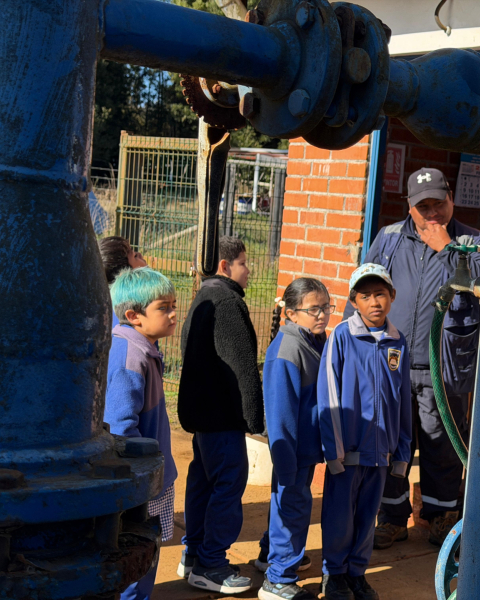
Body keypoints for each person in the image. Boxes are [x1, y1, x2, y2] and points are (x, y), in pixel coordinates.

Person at [344, 167, 480, 549]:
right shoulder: (390, 238)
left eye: (438, 203)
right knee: (389, 444)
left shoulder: (472, 241)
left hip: (445, 366)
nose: (432, 213)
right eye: (423, 207)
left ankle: (442, 519)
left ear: (451, 199)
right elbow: (362, 288)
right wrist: (351, 348)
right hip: (392, 365)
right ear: (410, 207)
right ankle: (392, 518)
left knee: (443, 446)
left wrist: (447, 248)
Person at [176, 236, 264, 595]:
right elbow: (242, 365)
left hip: (203, 418)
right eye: (243, 262)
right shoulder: (227, 302)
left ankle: (194, 555)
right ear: (225, 266)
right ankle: (211, 565)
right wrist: (254, 419)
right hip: (222, 418)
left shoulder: (203, 296)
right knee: (227, 486)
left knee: (203, 483)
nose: (249, 270)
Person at [318, 264, 412, 600]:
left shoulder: (398, 342)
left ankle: (356, 574)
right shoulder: (342, 336)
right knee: (339, 517)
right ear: (353, 301)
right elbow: (329, 395)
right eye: (366, 295)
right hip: (347, 453)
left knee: (367, 517)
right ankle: (333, 575)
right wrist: (334, 451)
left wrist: (402, 453)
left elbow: (403, 402)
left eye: (380, 294)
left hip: (381, 453)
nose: (374, 302)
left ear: (392, 296)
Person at [256, 278, 333, 600]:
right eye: (313, 309)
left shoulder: (313, 340)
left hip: (305, 449)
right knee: (292, 509)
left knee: (288, 507)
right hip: (293, 453)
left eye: (326, 307)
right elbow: (281, 415)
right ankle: (278, 581)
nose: (322, 314)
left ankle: (269, 556)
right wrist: (286, 466)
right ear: (290, 313)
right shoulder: (288, 350)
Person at [104, 268, 178, 600]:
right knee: (138, 559)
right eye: (164, 307)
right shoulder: (131, 356)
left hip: (150, 479)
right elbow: (121, 428)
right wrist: (147, 475)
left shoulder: (141, 347)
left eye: (174, 305)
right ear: (134, 316)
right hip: (141, 485)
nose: (173, 314)